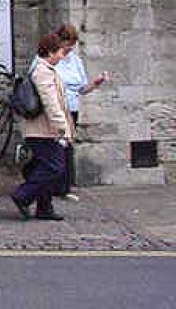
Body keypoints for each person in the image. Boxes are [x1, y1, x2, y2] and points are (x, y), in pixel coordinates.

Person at [11, 32, 75, 221]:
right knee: (55, 167)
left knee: (44, 165)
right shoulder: (43, 71)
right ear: (50, 52)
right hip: (43, 130)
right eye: (60, 52)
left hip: (45, 129)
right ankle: (23, 195)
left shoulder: (45, 69)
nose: (62, 56)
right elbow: (51, 102)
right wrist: (61, 127)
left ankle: (44, 207)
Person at [53, 23, 108, 198]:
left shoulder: (75, 60)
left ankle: (64, 186)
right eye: (66, 44)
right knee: (55, 147)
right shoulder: (51, 58)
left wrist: (96, 83)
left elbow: (82, 88)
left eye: (72, 44)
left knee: (67, 146)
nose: (69, 48)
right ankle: (52, 185)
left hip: (72, 109)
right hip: (56, 108)